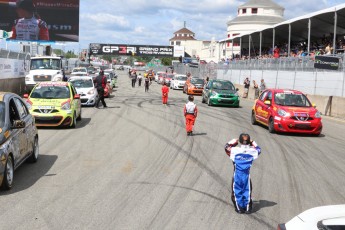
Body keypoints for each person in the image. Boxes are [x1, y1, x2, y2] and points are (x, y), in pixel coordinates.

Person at [224, 133, 261, 214]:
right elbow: (259, 149)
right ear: (249, 142)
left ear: (240, 141)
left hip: (237, 174)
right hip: (246, 175)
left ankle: (239, 208)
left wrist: (234, 141)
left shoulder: (234, 150)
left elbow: (226, 147)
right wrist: (253, 142)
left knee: (236, 191)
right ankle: (248, 208)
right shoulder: (253, 151)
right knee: (247, 191)